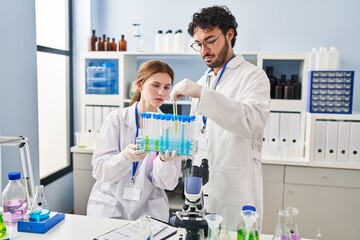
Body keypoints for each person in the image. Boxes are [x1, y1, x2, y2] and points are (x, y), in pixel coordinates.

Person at [170, 5, 271, 230]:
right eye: (198, 44)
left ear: (229, 34)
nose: (204, 49)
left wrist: (200, 93)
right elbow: (200, 134)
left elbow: (251, 122)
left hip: (236, 188)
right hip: (201, 186)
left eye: (210, 40)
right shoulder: (203, 79)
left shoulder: (253, 77)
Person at [87, 60, 181, 222]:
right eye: (155, 85)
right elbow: (100, 170)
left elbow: (169, 184)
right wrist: (125, 157)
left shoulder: (171, 126)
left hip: (149, 209)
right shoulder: (116, 119)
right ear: (140, 85)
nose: (161, 92)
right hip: (110, 206)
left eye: (167, 87)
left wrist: (165, 162)